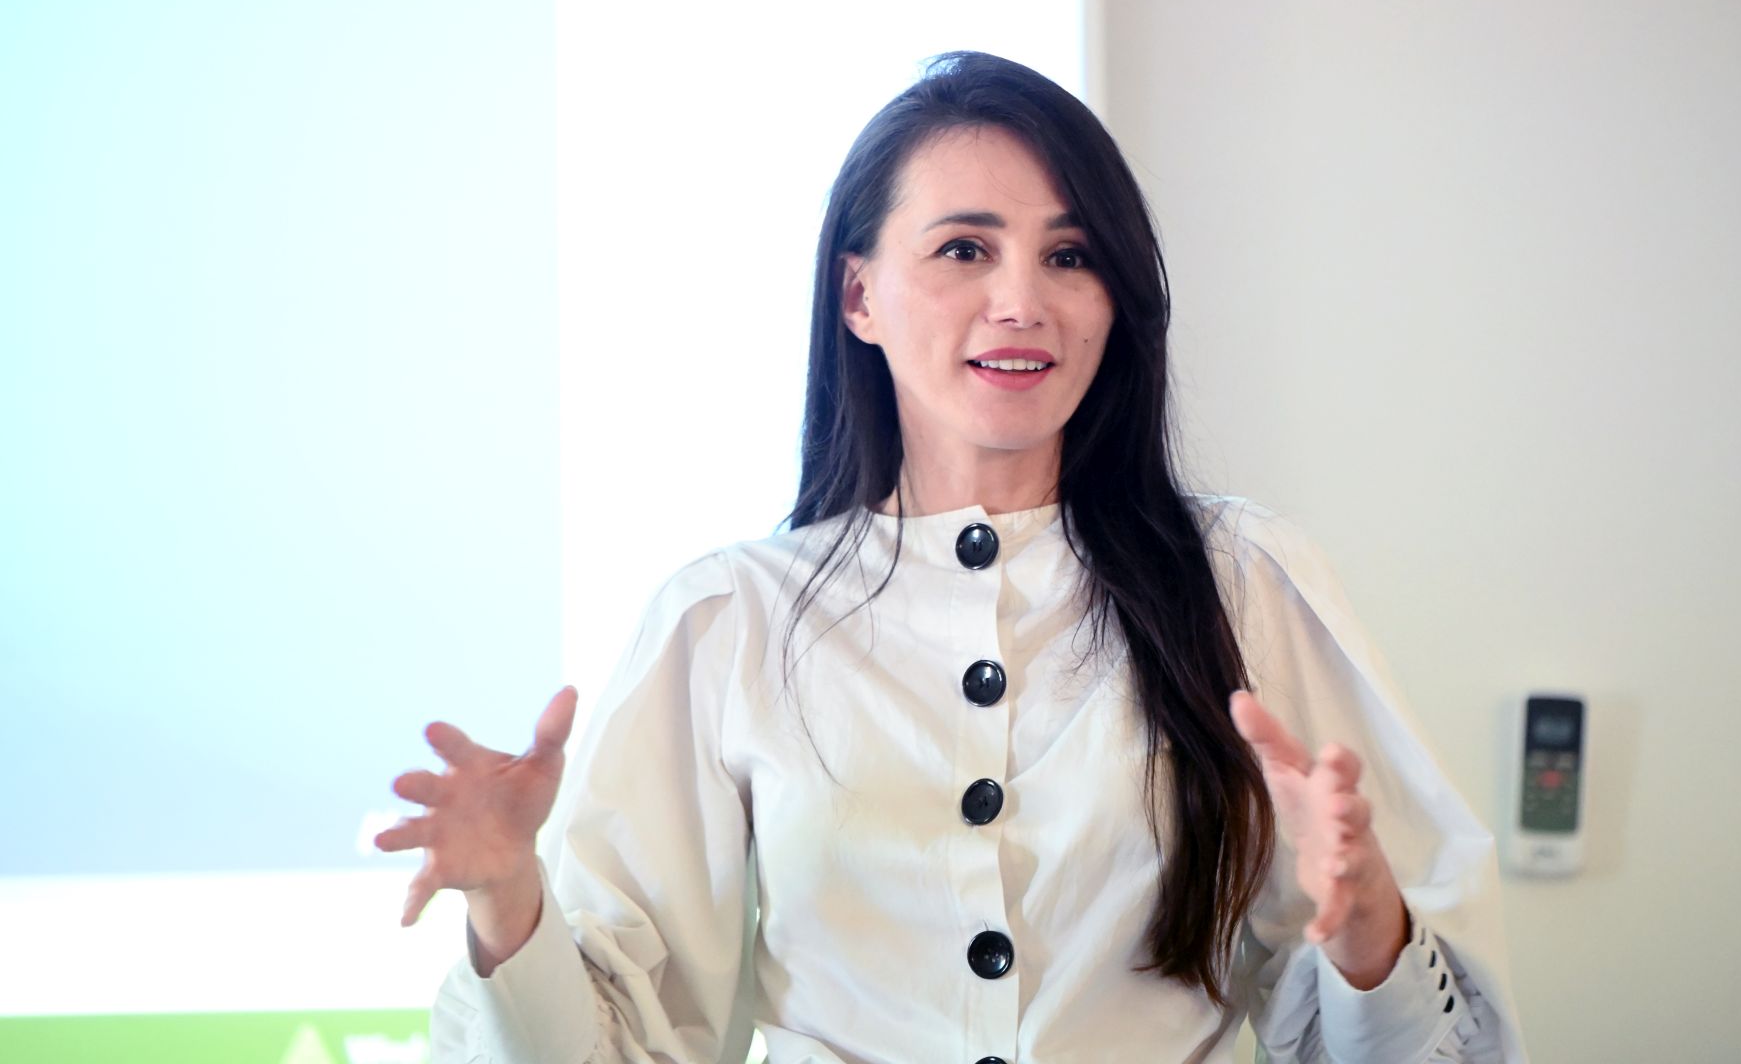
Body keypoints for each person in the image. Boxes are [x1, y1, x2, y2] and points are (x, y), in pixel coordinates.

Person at [378, 52, 1527, 1062]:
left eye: (1070, 254)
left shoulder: (1241, 578)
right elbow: (623, 1047)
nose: (1022, 300)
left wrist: (1372, 929)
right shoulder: (729, 617)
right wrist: (511, 902)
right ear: (859, 294)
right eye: (965, 248)